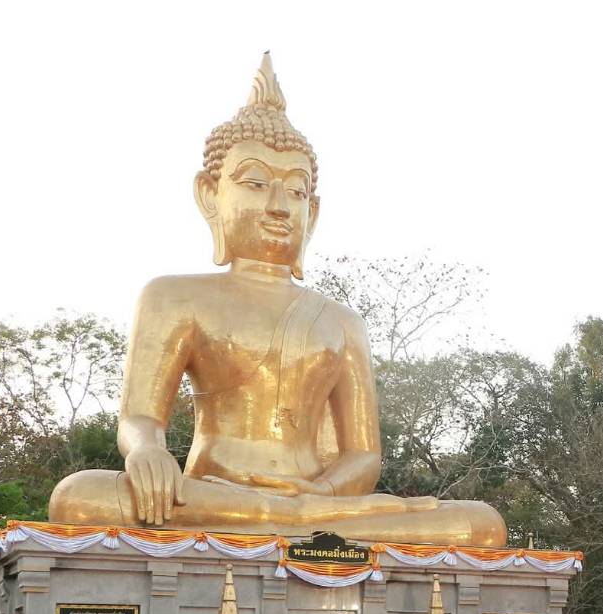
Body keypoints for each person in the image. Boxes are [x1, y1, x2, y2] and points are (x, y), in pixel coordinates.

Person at [45, 54, 507, 547]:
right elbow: (140, 418)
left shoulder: (341, 320)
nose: (277, 206)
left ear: (314, 210)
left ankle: (296, 520)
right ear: (209, 195)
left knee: (481, 524)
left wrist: (318, 493)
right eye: (256, 183)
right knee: (80, 498)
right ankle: (292, 522)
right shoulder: (174, 296)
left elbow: (363, 456)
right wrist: (146, 452)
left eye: (296, 191)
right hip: (209, 493)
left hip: (318, 500)